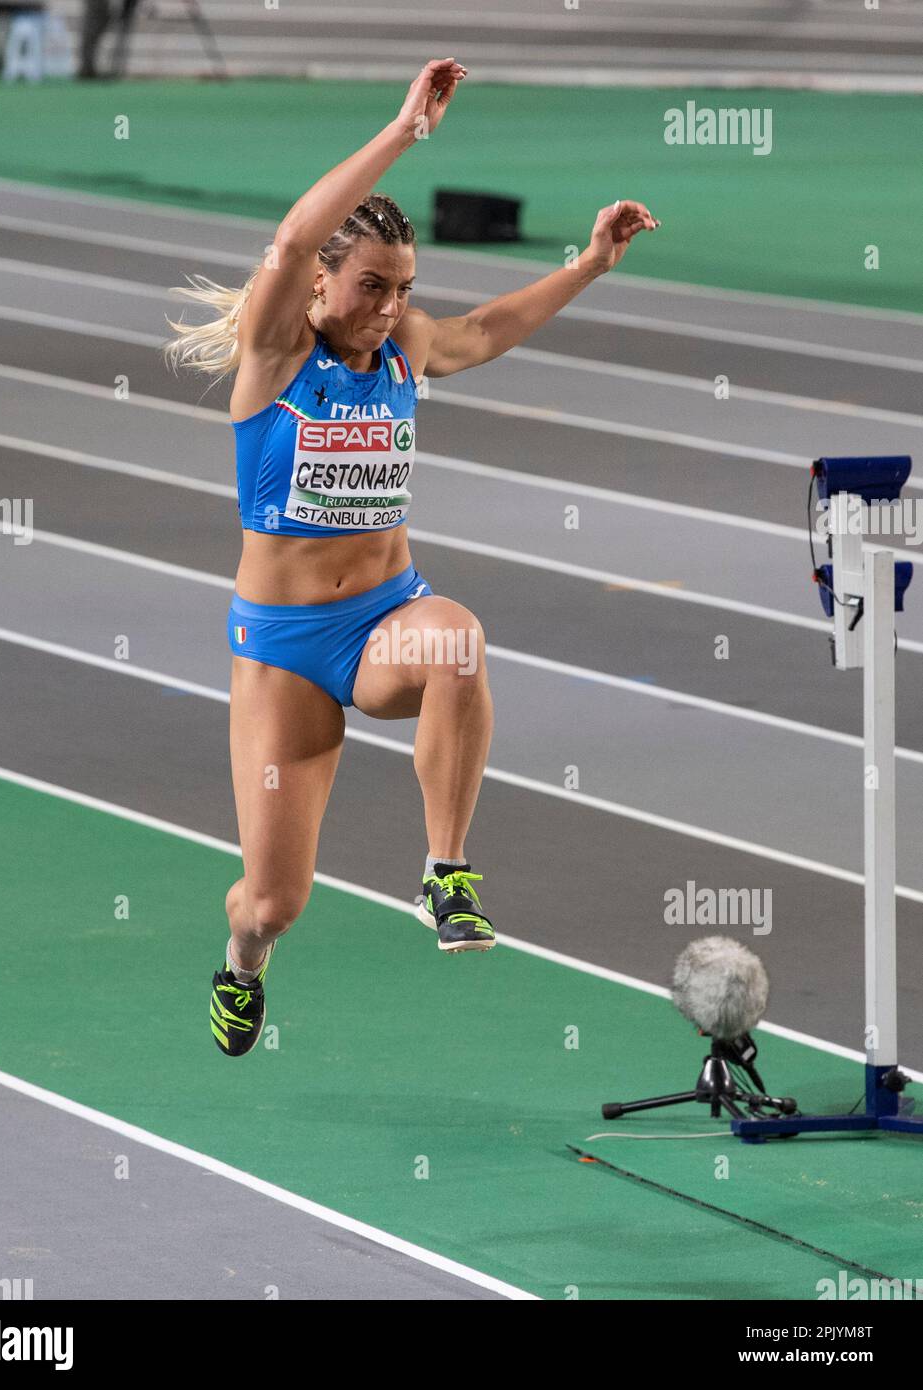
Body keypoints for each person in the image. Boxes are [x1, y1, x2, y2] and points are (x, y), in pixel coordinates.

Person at [162, 57, 658, 1058]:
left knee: (459, 643)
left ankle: (445, 870)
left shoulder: (403, 349)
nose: (389, 307)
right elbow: (298, 232)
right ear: (320, 283)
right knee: (273, 900)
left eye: (402, 289)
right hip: (285, 648)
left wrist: (588, 264)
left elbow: (484, 329)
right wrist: (403, 131)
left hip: (388, 616)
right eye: (371, 287)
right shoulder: (274, 357)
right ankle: (241, 961)